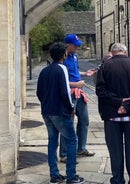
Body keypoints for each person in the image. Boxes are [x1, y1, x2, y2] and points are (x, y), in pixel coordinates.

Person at [96, 43, 130, 184]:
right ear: (125, 51)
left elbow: (100, 91)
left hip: (112, 115)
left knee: (115, 150)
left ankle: (117, 180)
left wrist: (119, 102)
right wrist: (128, 105)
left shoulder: (105, 66)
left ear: (111, 52)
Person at [36, 42, 85, 184]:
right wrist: (71, 109)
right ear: (64, 55)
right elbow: (65, 91)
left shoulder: (44, 71)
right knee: (72, 141)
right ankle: (71, 176)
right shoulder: (62, 68)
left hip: (47, 111)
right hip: (60, 111)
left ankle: (54, 176)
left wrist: (46, 104)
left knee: (52, 141)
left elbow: (39, 92)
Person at [59, 34, 96, 163]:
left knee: (84, 120)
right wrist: (75, 84)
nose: (77, 48)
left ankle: (81, 148)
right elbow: (61, 80)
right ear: (67, 45)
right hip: (69, 93)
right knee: (68, 123)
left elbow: (75, 72)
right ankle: (64, 154)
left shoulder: (74, 56)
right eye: (75, 45)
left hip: (79, 92)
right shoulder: (62, 58)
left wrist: (84, 74)